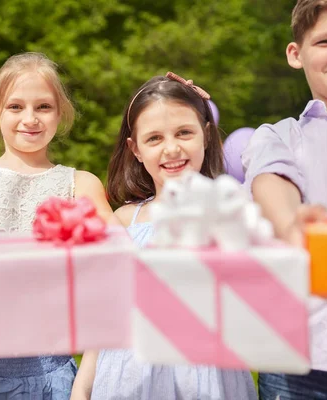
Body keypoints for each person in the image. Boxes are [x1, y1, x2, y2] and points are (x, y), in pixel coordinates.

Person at [71, 72, 257, 400]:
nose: (171, 148)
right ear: (136, 149)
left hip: (206, 379)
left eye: (185, 132)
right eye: (154, 138)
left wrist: (198, 101)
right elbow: (106, 320)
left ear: (206, 136)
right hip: (127, 381)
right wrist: (82, 390)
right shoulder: (123, 221)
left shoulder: (230, 209)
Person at [0, 52, 113, 399]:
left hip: (50, 368)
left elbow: (115, 254)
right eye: (15, 107)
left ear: (61, 112)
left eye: (44, 107)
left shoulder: (81, 184)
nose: (30, 119)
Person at [242, 0, 327, 397]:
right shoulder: (277, 136)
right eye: (325, 41)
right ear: (297, 54)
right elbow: (271, 178)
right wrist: (293, 222)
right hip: (302, 355)